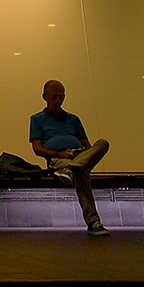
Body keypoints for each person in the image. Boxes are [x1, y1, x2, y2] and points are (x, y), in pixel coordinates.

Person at [29, 79, 110, 236]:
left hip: (76, 158)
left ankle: (70, 169)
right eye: (55, 97)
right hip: (59, 160)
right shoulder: (37, 119)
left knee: (102, 143)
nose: (58, 101)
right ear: (44, 96)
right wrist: (60, 154)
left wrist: (81, 154)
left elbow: (89, 147)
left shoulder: (73, 119)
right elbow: (37, 149)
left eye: (61, 96)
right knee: (82, 171)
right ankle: (93, 222)